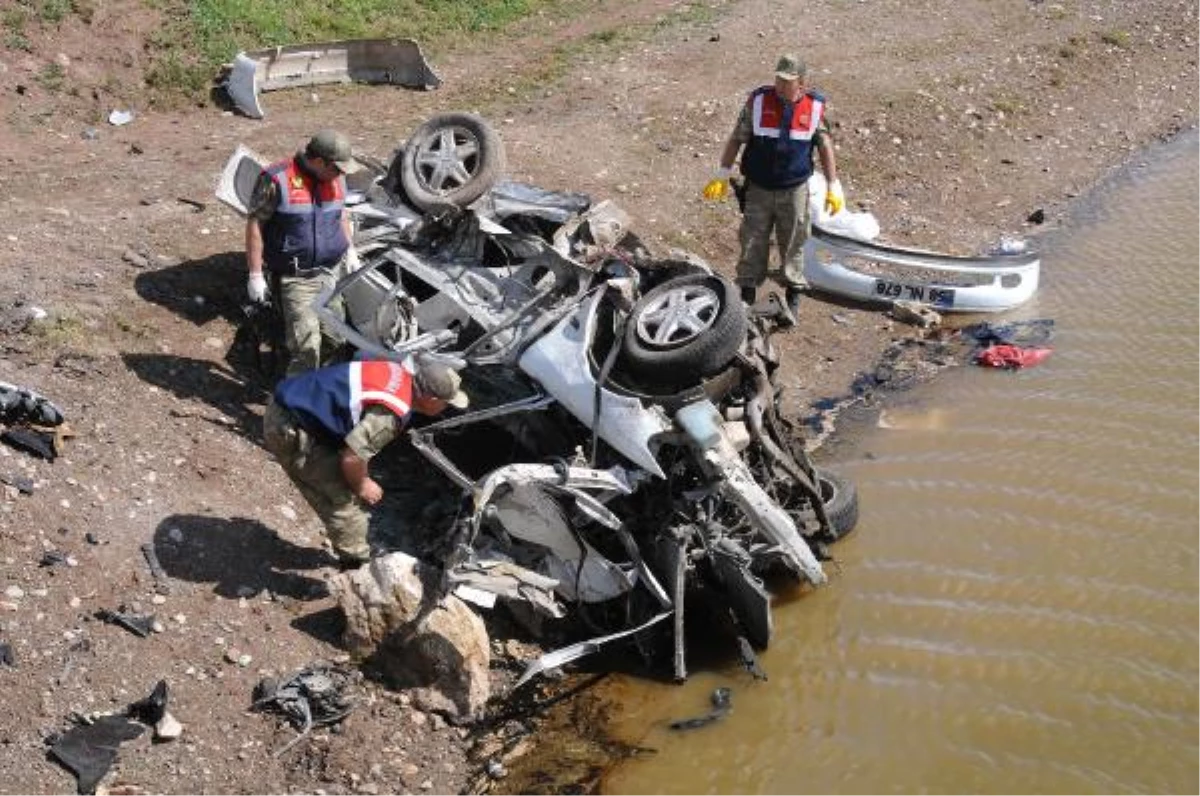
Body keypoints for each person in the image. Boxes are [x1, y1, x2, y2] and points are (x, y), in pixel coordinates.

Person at [262, 357, 469, 568]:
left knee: (344, 481)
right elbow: (352, 457)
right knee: (346, 502)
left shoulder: (395, 371)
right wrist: (363, 484)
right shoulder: (391, 413)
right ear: (431, 399)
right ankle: (356, 566)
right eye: (446, 402)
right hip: (287, 428)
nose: (446, 407)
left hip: (292, 403)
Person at [702, 55, 843, 320]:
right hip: (759, 187)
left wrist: (833, 186)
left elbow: (825, 146)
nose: (779, 85)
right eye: (778, 78)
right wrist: (722, 173)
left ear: (801, 83)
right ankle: (746, 295)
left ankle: (793, 295)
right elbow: (737, 138)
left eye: (787, 81)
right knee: (752, 240)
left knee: (793, 242)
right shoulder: (757, 102)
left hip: (795, 189)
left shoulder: (814, 108)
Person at [245, 129, 364, 376]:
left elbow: (341, 214)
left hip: (330, 274)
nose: (341, 175)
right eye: (337, 169)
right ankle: (292, 407)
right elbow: (256, 224)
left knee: (336, 340)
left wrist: (350, 249)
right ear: (319, 162)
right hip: (297, 278)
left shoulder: (336, 178)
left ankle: (316, 392)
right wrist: (255, 275)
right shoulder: (277, 178)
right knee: (307, 349)